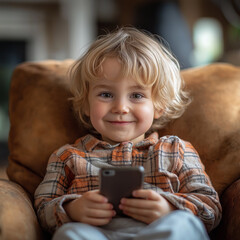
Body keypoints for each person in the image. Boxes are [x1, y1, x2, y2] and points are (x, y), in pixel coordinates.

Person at [34, 27, 221, 240]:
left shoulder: (176, 150)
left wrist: (170, 208)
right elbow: (42, 208)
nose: (121, 107)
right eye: (106, 94)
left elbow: (210, 206)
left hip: (160, 232)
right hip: (97, 234)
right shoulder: (67, 156)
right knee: (69, 232)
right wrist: (72, 209)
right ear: (86, 104)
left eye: (136, 95)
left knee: (183, 223)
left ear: (158, 106)